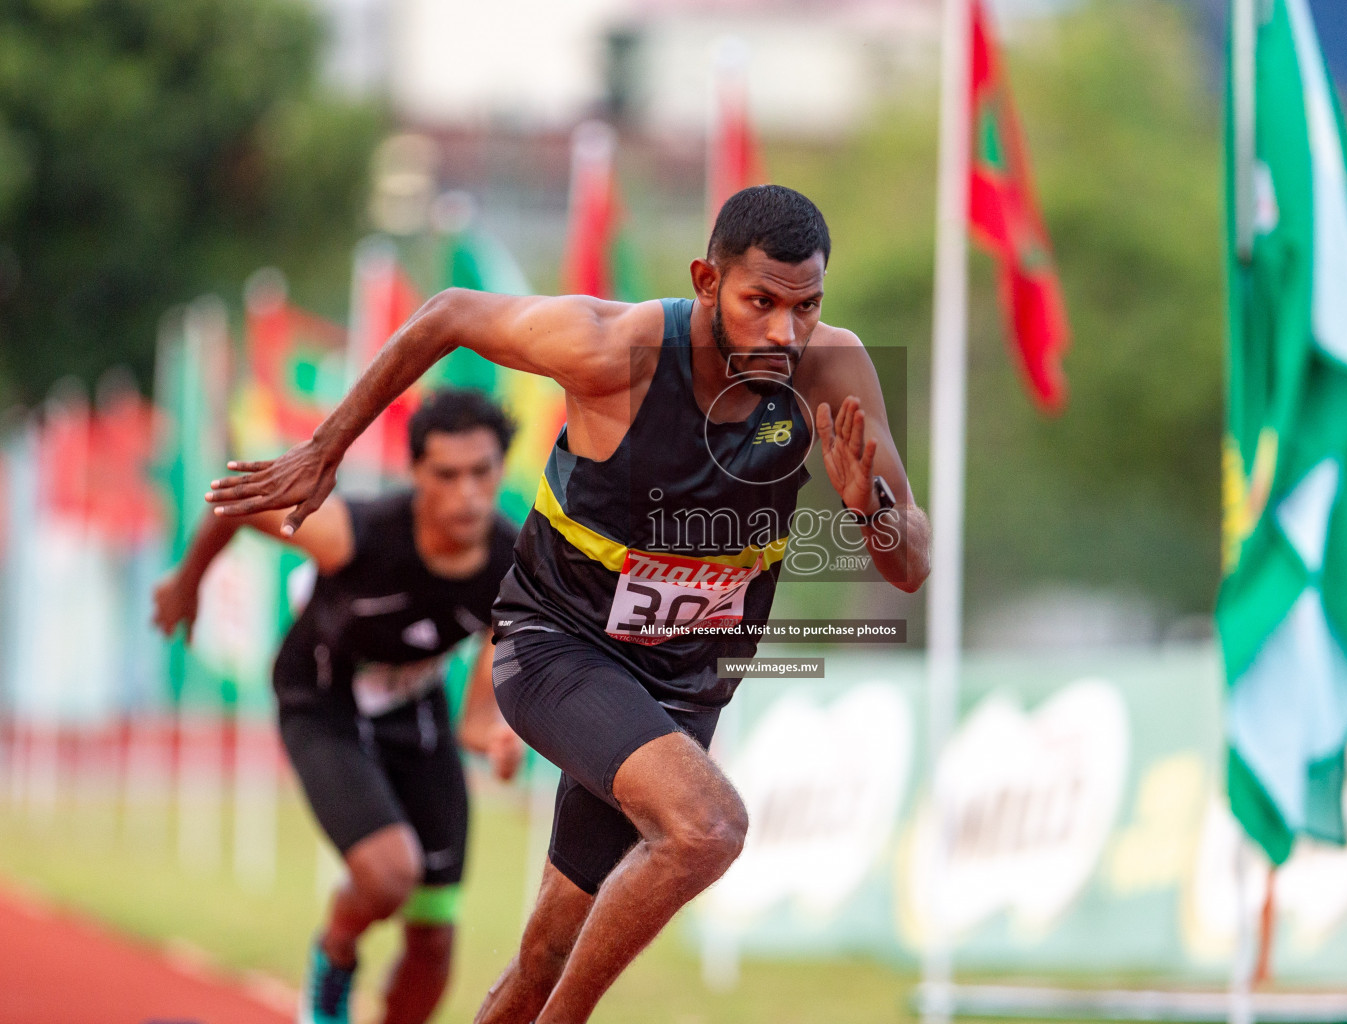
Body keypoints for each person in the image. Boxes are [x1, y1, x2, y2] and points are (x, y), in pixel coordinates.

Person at [205, 184, 932, 1024]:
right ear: (706, 281)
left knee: (545, 955)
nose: (783, 332)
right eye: (759, 302)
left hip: (683, 685)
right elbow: (445, 313)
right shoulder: (612, 349)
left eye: (805, 307)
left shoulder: (830, 369)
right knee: (708, 827)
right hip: (557, 644)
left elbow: (908, 563)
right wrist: (326, 448)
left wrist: (873, 508)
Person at [154, 388, 525, 1024]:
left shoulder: (512, 566)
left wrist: (493, 736)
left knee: (434, 937)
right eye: (447, 474)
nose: (467, 492)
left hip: (416, 714)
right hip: (320, 700)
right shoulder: (355, 533)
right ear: (416, 475)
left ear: (500, 471)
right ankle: (334, 958)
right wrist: (187, 583)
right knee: (388, 876)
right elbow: (238, 499)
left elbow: (476, 717)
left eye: (482, 472)